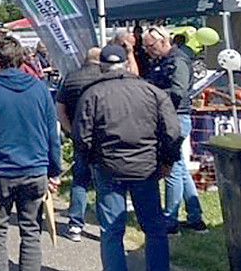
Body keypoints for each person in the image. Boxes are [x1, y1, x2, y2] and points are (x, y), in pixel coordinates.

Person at [74, 44, 182, 271]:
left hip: (108, 167)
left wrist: (91, 161)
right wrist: (167, 162)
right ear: (126, 64)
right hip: (145, 166)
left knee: (111, 230)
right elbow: (172, 132)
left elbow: (81, 137)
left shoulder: (92, 94)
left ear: (102, 67)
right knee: (154, 228)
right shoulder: (151, 91)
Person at [0, 36, 62, 271]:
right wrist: (55, 170)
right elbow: (53, 134)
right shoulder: (40, 89)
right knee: (31, 231)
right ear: (21, 59)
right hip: (34, 169)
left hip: (0, 171)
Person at [142, 26, 207, 234]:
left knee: (172, 170)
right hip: (170, 116)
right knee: (179, 168)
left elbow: (178, 91)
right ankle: (196, 219)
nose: (148, 51)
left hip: (176, 117)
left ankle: (170, 221)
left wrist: (152, 95)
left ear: (163, 41)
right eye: (146, 47)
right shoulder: (162, 61)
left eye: (150, 46)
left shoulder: (177, 60)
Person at [54, 46, 101, 242]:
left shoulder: (71, 78)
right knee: (104, 182)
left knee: (80, 180)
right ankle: (107, 225)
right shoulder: (105, 78)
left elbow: (60, 109)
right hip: (103, 137)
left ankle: (75, 224)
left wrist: (71, 131)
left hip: (80, 136)